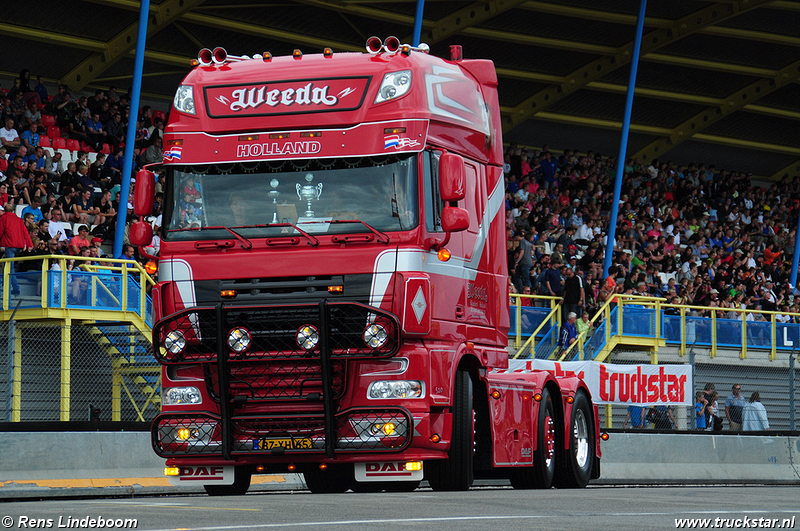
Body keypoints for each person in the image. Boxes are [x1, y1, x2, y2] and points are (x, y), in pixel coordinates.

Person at [0, 202, 34, 294]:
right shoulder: (19, 220)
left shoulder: (4, 218)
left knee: (10, 268)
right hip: (19, 246)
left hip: (10, 245)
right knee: (6, 265)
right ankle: (4, 283)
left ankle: (15, 288)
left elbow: (1, 231)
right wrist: (30, 244)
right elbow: (25, 233)